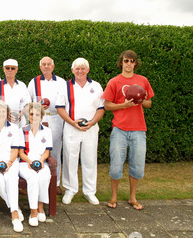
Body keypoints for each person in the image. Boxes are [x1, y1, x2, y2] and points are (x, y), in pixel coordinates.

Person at [102, 50, 154, 210]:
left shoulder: (143, 81)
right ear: (121, 62)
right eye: (126, 61)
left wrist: (140, 100)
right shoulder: (114, 82)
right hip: (120, 129)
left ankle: (133, 197)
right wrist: (123, 105)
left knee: (137, 165)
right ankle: (114, 196)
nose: (129, 64)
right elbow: (106, 105)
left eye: (132, 61)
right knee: (116, 164)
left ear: (135, 63)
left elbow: (149, 103)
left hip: (138, 129)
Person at [56, 58, 105, 205]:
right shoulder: (65, 86)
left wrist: (93, 122)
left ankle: (89, 191)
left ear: (88, 70)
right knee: (70, 159)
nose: (80, 71)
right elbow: (60, 107)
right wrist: (72, 122)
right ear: (72, 70)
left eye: (83, 68)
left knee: (90, 159)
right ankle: (70, 189)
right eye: (77, 68)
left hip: (90, 128)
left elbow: (101, 108)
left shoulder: (96, 86)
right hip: (71, 128)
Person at [27, 57, 65, 193]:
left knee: (55, 150)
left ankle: (56, 183)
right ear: (40, 66)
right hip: (39, 119)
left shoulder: (61, 82)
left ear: (53, 67)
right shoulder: (34, 82)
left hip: (56, 117)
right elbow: (28, 101)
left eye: (49, 64)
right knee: (37, 149)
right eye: (44, 64)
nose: (46, 67)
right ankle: (36, 179)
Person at [0, 101, 23, 232]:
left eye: (3, 111)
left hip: (11, 162)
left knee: (11, 180)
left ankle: (14, 216)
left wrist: (9, 164)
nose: (1, 114)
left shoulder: (14, 128)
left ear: (7, 113)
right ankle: (15, 207)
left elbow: (15, 150)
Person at [18, 102, 53, 227]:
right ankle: (33, 212)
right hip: (25, 162)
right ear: (28, 116)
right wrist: (30, 162)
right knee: (32, 177)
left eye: (37, 114)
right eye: (32, 114)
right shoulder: (22, 131)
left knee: (44, 176)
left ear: (41, 116)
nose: (34, 117)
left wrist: (41, 161)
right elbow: (21, 152)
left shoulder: (47, 131)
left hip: (41, 161)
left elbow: (47, 151)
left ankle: (40, 207)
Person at [0, 59, 31, 127]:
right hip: (2, 122)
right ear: (4, 69)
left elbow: (27, 104)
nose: (10, 70)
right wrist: (5, 114)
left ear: (16, 70)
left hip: (20, 122)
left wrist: (21, 113)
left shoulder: (22, 85)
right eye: (7, 68)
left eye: (13, 68)